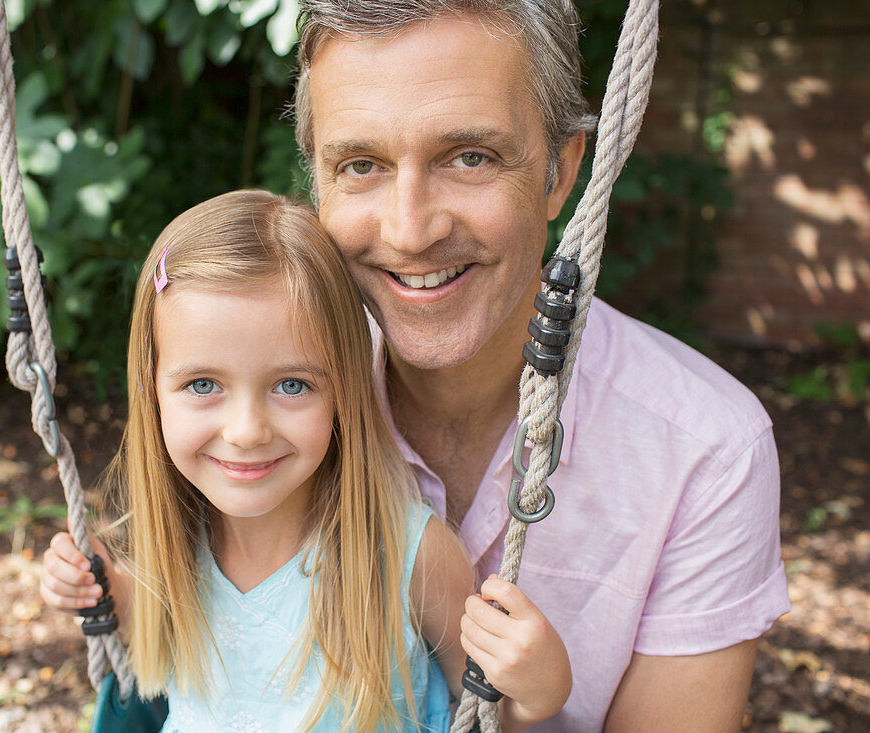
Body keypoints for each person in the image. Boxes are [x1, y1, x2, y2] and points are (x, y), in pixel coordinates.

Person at [291, 1, 791, 731]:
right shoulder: (259, 412)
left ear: (560, 174)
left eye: (470, 157)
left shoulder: (706, 452)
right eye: (359, 166)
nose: (409, 229)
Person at [40, 190, 573, 731]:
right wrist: (102, 589)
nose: (246, 432)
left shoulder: (405, 554)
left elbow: (485, 712)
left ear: (342, 389)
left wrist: (539, 691)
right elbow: (154, 638)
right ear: (153, 390)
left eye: (291, 385)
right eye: (203, 384)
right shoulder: (170, 553)